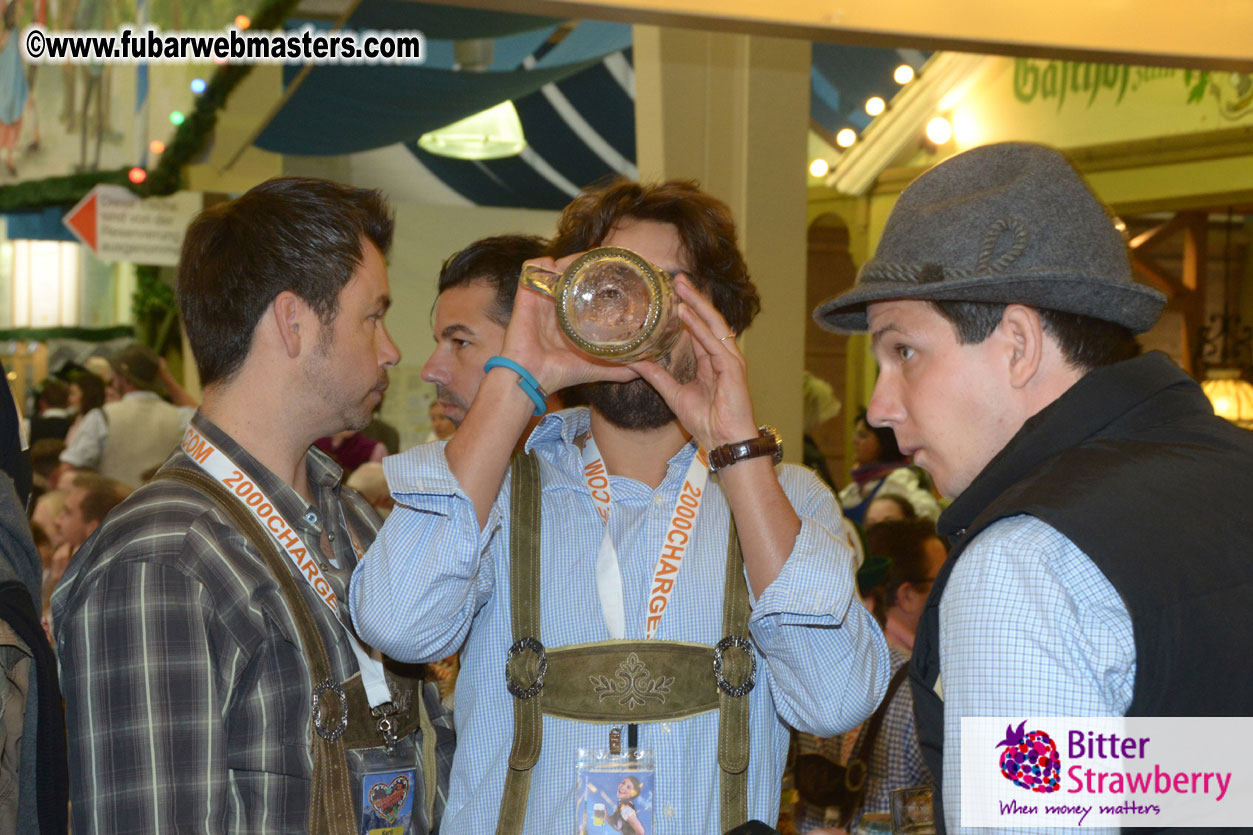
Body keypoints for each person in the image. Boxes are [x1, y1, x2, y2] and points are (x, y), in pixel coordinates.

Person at [352, 178, 888, 834]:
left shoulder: (787, 502)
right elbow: (397, 622)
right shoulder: (491, 489)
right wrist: (517, 373)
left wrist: (736, 449)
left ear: (721, 317)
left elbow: (834, 701)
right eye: (609, 288)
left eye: (666, 286)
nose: (635, 315)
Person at [813, 141, 1253, 833]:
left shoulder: (1024, 562)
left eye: (903, 351)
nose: (878, 406)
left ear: (1016, 343)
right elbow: (1213, 778)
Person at [53, 177, 454, 834]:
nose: (392, 350)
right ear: (293, 321)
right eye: (373, 315)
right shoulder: (161, 563)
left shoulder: (352, 519)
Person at [420, 233, 549, 428]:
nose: (429, 372)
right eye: (438, 342)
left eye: (460, 342)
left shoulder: (597, 456)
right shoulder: (443, 458)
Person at [58, 344, 195, 488]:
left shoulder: (102, 417)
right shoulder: (179, 417)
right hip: (164, 507)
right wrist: (166, 377)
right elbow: (203, 419)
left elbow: (68, 468)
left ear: (124, 379)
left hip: (113, 507)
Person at [838, 408, 939, 525]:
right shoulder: (857, 485)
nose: (854, 441)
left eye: (863, 436)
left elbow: (930, 514)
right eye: (856, 435)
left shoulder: (900, 478)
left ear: (884, 442)